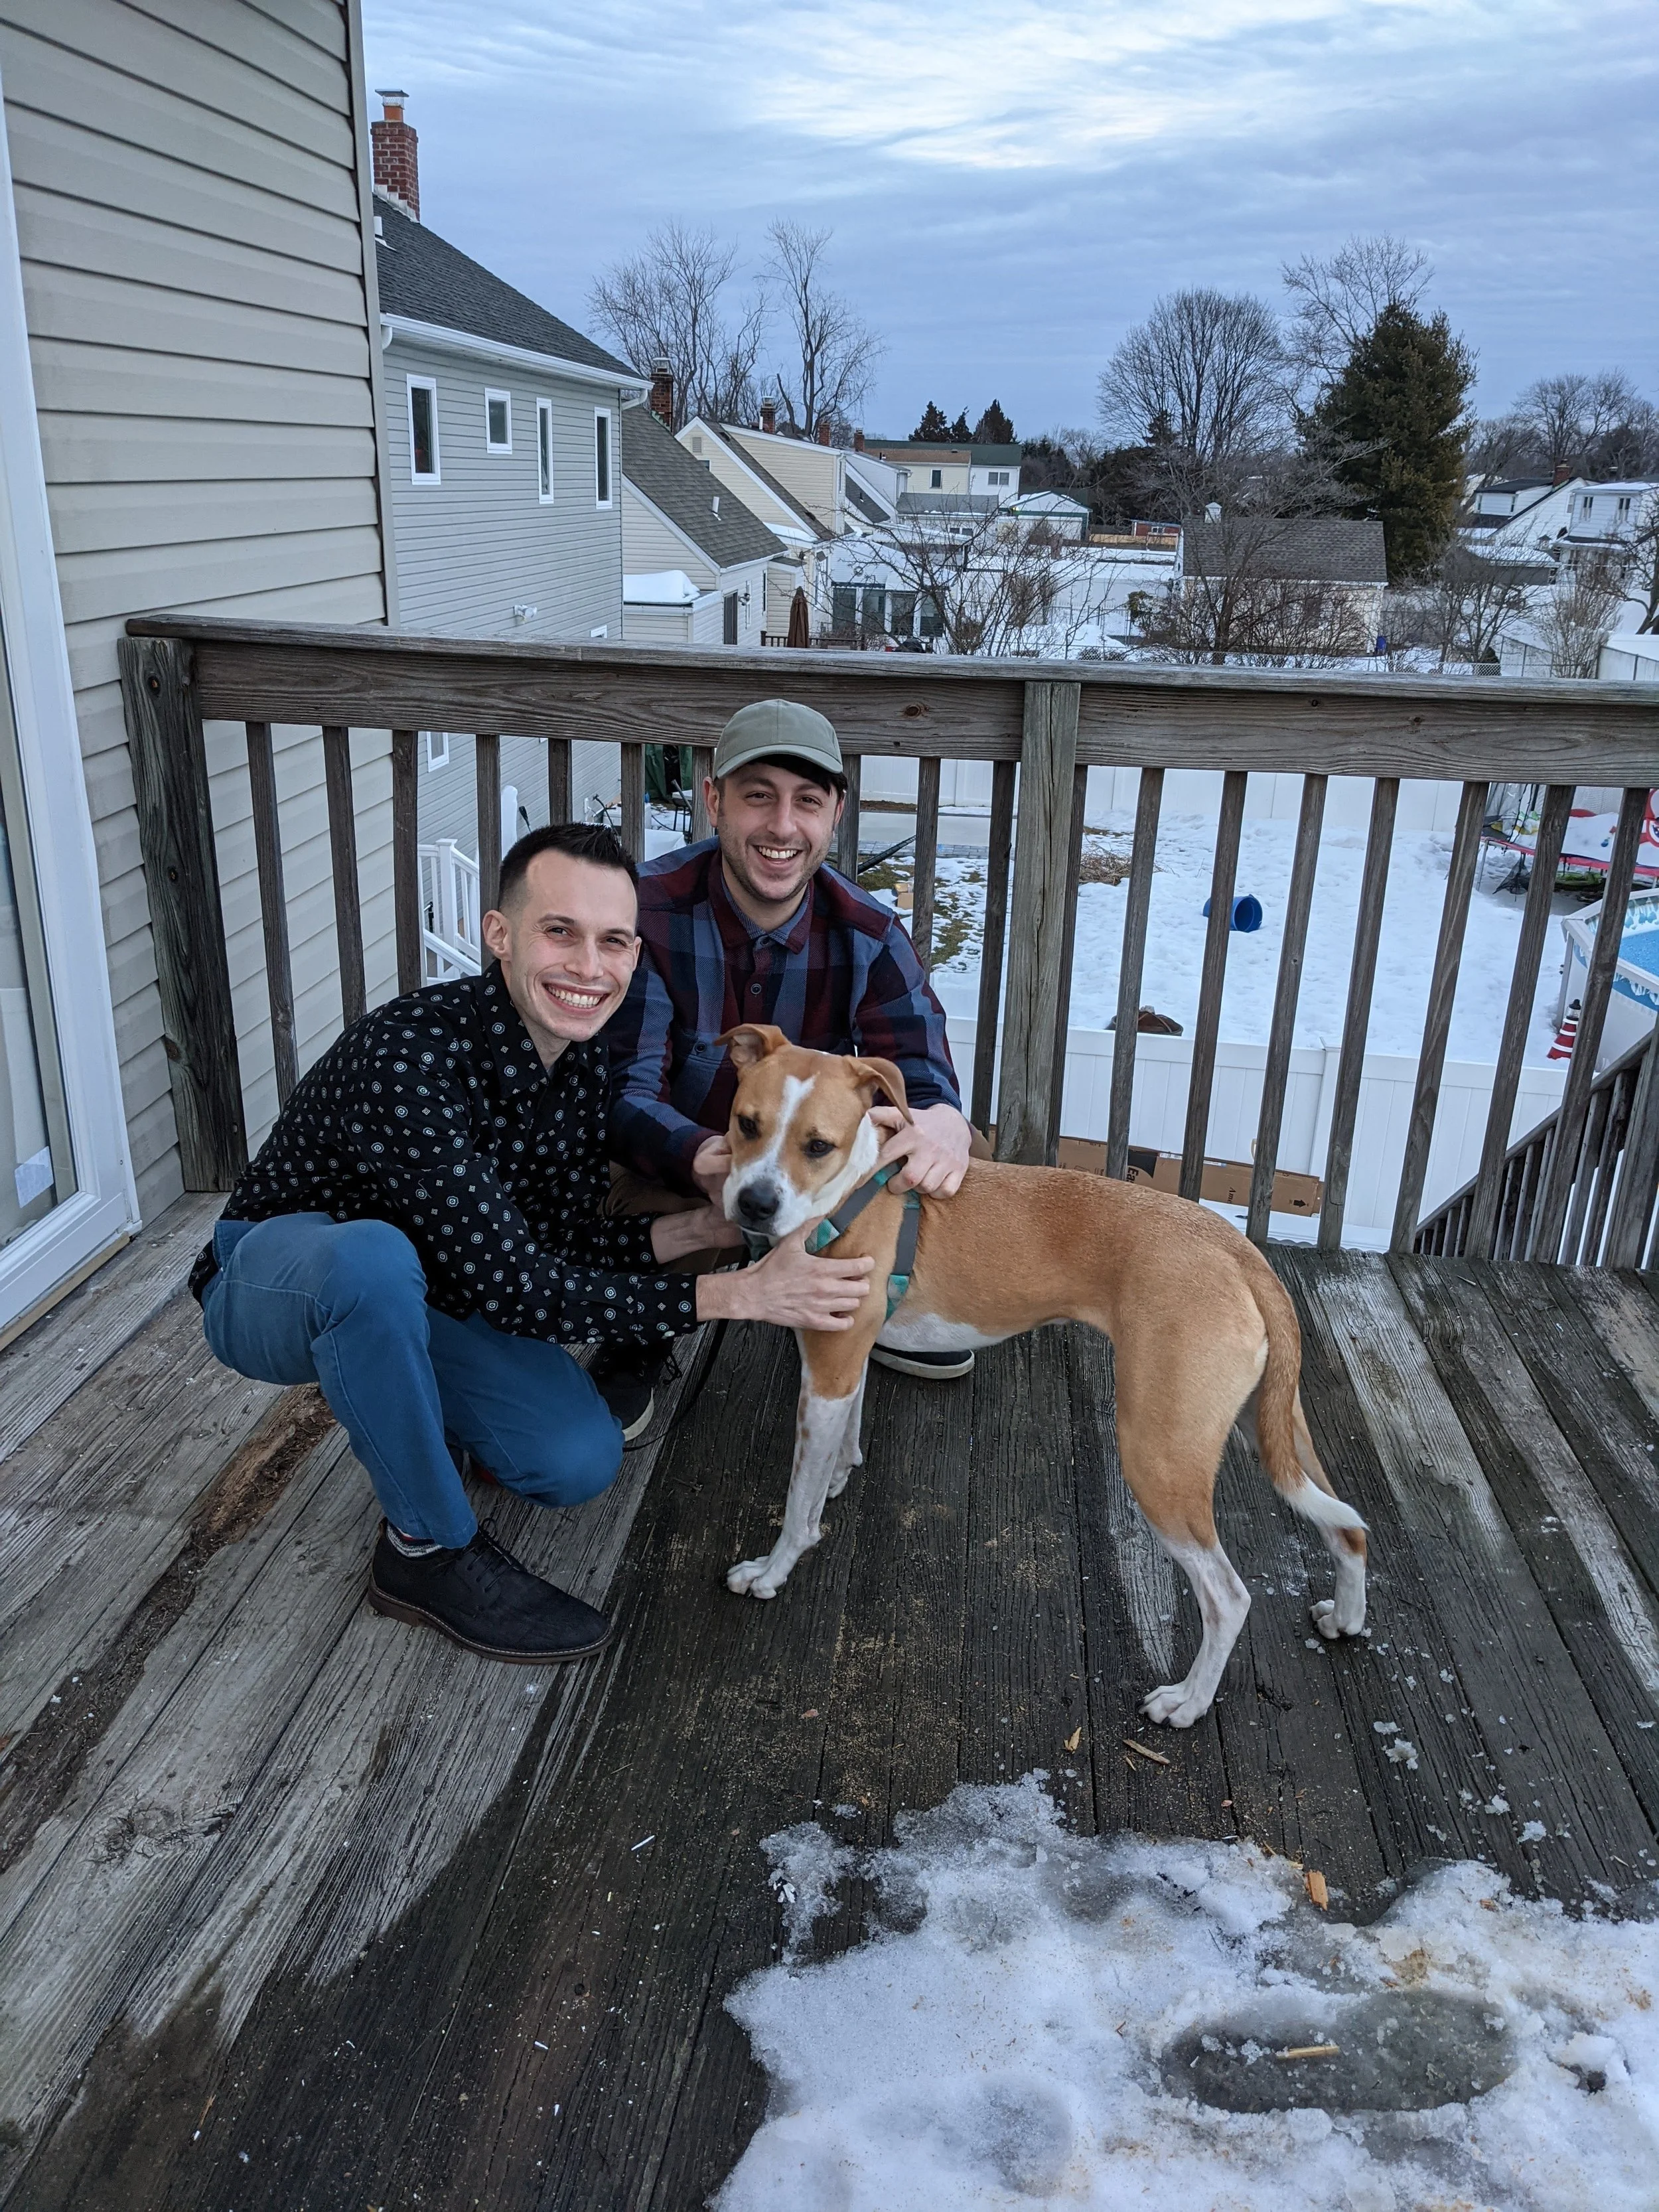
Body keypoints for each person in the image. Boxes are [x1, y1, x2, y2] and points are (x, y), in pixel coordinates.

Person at [193, 822, 875, 1665]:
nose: (588, 968)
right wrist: (733, 1295)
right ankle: (424, 1549)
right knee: (368, 1261)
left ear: (633, 956)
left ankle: (415, 1409)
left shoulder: (582, 1064)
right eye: (560, 932)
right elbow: (520, 1288)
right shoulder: (412, 1054)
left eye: (613, 942)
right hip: (275, 1277)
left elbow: (562, 1242)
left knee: (575, 1456)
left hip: (436, 1290)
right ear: (500, 934)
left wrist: (707, 1228)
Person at [599, 698, 980, 1436]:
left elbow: (923, 1083)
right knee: (629, 1184)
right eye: (757, 796)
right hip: (689, 1169)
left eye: (807, 801)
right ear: (713, 801)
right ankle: (640, 1332)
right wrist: (702, 1156)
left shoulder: (870, 934)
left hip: (817, 1183)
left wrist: (942, 1122)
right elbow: (624, 1091)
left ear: (835, 813)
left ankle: (882, 1302)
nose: (782, 826)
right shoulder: (646, 912)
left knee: (955, 1151)